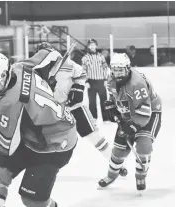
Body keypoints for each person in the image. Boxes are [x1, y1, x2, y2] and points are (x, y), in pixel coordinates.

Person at [0, 52, 77, 207]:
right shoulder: (19, 67)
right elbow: (49, 53)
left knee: (32, 200)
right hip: (38, 134)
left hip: (55, 146)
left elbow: (7, 145)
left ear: (3, 75)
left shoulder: (9, 103)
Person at [32, 42, 127, 175]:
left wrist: (77, 89)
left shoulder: (68, 64)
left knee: (94, 136)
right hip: (52, 111)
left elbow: (81, 73)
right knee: (47, 141)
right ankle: (43, 168)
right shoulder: (35, 70)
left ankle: (115, 163)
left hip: (74, 108)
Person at [98, 53, 162, 193]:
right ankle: (111, 175)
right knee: (119, 150)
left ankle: (141, 176)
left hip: (149, 113)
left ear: (128, 68)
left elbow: (144, 111)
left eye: (121, 69)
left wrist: (131, 126)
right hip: (129, 111)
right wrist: (112, 106)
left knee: (143, 147)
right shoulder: (111, 78)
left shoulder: (137, 83)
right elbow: (114, 95)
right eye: (115, 69)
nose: (118, 73)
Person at [82, 39, 110, 123]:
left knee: (104, 100)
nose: (92, 46)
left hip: (101, 81)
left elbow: (105, 68)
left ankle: (106, 118)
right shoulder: (85, 58)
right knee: (92, 101)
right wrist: (86, 81)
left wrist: (105, 79)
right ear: (88, 46)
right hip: (91, 81)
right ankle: (93, 117)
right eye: (90, 45)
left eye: (94, 44)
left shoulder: (101, 56)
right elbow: (84, 70)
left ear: (96, 46)